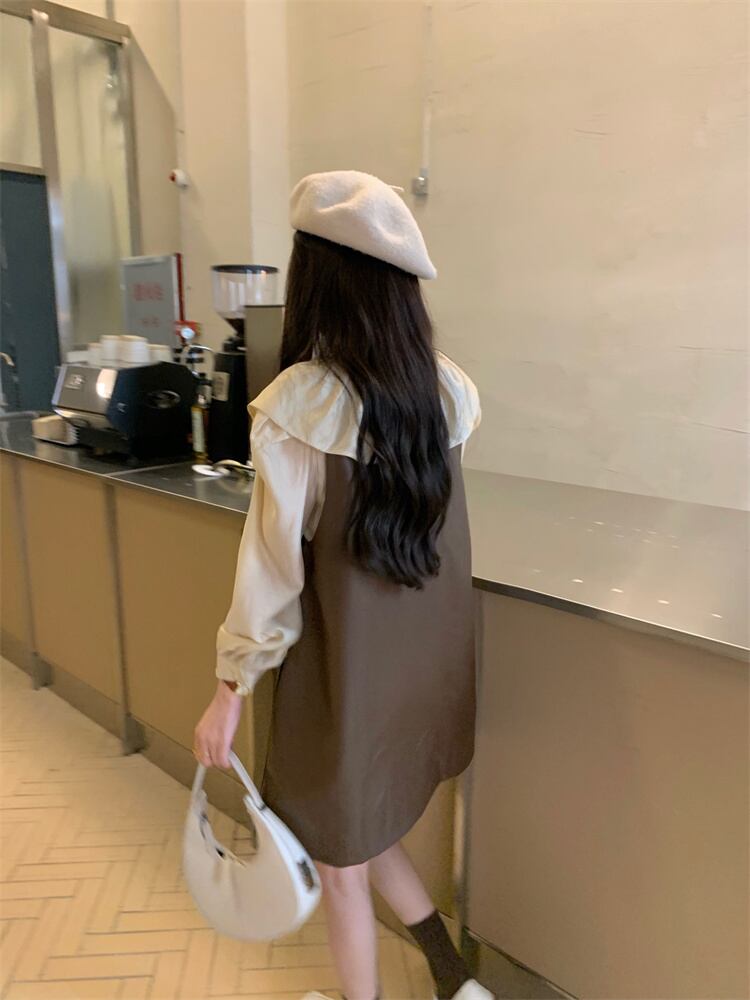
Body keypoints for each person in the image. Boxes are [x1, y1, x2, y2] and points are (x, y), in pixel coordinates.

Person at [193, 170, 491, 1000]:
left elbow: (271, 575)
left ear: (316, 279)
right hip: (422, 676)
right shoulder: (447, 389)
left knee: (339, 862)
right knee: (357, 826)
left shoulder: (302, 406)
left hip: (344, 679)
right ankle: (455, 979)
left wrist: (229, 691)